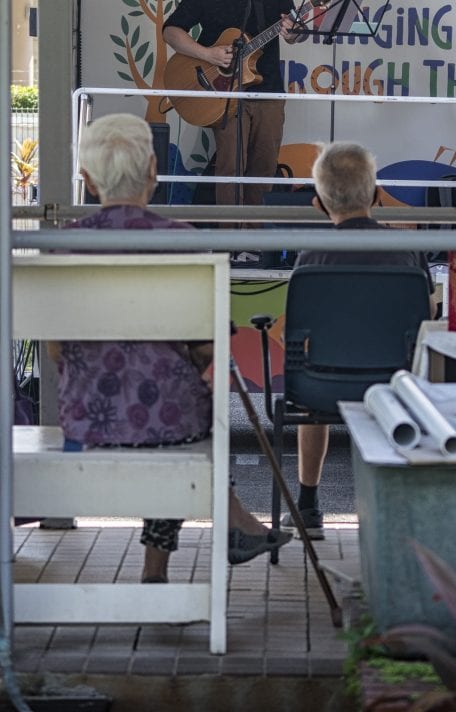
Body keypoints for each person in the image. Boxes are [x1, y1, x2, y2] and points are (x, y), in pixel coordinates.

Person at [53, 113, 291, 583]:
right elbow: (209, 344)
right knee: (184, 414)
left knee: (173, 412)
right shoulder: (182, 240)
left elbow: (56, 351)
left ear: (85, 178)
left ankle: (224, 527)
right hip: (168, 420)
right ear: (154, 171)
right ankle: (161, 563)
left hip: (85, 415)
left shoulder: (63, 245)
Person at [290, 142, 435, 539]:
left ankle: (307, 504)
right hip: (395, 385)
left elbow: (299, 334)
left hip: (321, 388)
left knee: (313, 364)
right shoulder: (407, 252)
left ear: (319, 203)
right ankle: (396, 510)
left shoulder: (311, 258)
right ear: (375, 196)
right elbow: (429, 316)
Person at [164, 0, 307, 214]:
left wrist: (292, 32)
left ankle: (257, 240)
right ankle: (230, 238)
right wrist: (209, 55)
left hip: (268, 90)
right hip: (225, 95)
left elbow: (293, 36)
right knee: (230, 168)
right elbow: (171, 31)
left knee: (264, 167)